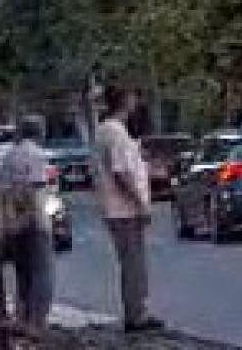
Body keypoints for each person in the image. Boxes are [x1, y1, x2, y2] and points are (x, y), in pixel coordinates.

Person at [94, 86, 163, 333]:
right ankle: (136, 314)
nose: (136, 102)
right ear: (124, 101)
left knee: (131, 261)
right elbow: (121, 171)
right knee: (134, 262)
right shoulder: (115, 132)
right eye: (133, 97)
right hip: (123, 209)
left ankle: (137, 310)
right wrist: (139, 202)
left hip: (117, 208)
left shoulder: (107, 130)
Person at [0, 114, 54, 335]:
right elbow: (34, 190)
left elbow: (3, 192)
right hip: (33, 220)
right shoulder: (37, 155)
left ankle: (22, 317)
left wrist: (8, 222)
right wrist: (35, 218)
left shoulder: (9, 156)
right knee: (42, 272)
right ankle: (36, 322)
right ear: (40, 132)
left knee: (22, 272)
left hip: (12, 222)